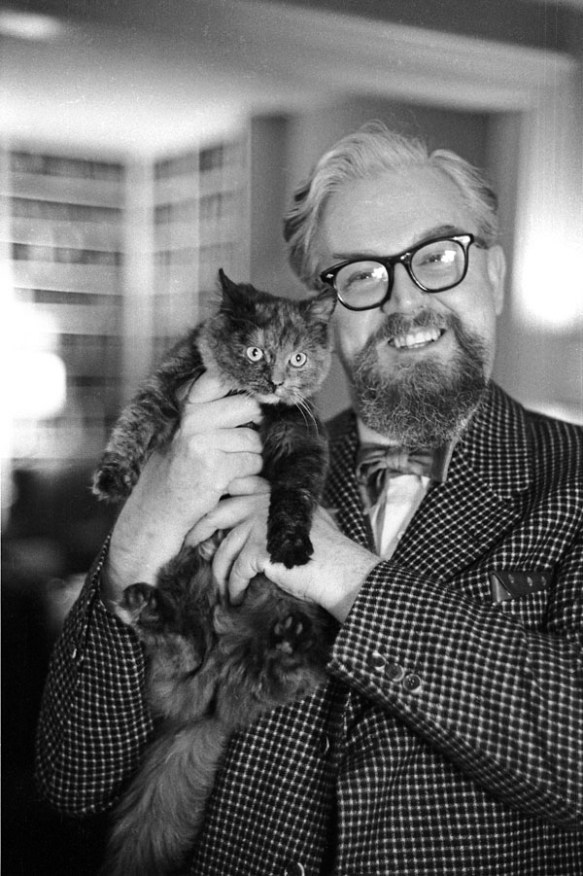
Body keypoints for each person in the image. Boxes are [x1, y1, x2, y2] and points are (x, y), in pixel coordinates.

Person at [36, 123, 582, 875]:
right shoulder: (222, 468)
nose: (405, 299)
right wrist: (139, 537)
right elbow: (73, 777)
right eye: (359, 274)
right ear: (319, 311)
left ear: (493, 272)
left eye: (437, 257)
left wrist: (340, 573)